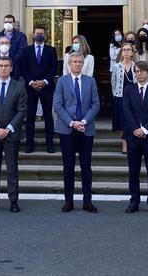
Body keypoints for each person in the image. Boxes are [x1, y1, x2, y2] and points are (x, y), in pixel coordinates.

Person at [54, 52, 100, 213]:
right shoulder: (62, 81)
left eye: (80, 62)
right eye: (74, 62)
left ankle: (87, 201)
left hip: (86, 128)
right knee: (68, 166)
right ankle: (69, 201)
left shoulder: (90, 81)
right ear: (69, 64)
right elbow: (58, 105)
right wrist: (72, 123)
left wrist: (84, 122)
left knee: (86, 166)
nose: (77, 64)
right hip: (66, 129)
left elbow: (95, 104)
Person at [0, 57, 27, 212]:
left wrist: (8, 128)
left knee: (12, 170)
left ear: (11, 68)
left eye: (6, 66)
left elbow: (22, 111)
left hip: (11, 134)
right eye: (0, 66)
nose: (3, 68)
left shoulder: (19, 87)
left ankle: (13, 201)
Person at [123, 61, 148, 214]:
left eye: (142, 71)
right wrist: (135, 129)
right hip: (132, 137)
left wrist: (145, 129)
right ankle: (134, 201)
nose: (139, 74)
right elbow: (126, 111)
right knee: (133, 171)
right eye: (137, 71)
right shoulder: (128, 90)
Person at [22, 25, 58, 154]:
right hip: (30, 88)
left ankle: (50, 144)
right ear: (33, 35)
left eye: (42, 33)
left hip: (46, 87)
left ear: (45, 35)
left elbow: (54, 68)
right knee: (30, 117)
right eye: (37, 33)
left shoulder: (51, 50)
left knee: (48, 116)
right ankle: (29, 144)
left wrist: (44, 81)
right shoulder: (26, 50)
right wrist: (31, 82)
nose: (39, 35)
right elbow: (23, 69)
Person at [111, 42, 137, 154]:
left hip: (134, 98)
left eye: (128, 50)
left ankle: (132, 142)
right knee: (123, 122)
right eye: (124, 50)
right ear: (121, 52)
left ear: (132, 52)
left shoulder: (137, 66)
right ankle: (124, 145)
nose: (126, 52)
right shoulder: (116, 66)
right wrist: (115, 95)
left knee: (132, 120)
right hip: (120, 97)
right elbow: (113, 82)